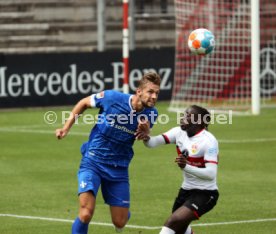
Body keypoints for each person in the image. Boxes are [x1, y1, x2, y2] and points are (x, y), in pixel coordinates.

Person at [55, 72, 161, 234]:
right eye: (150, 92)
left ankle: (122, 213)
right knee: (85, 214)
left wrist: (146, 133)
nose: (154, 97)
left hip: (119, 168)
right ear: (139, 91)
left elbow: (144, 138)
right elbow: (83, 103)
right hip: (93, 161)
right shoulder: (112, 98)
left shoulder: (151, 114)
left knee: (120, 222)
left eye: (157, 93)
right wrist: (66, 127)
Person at [142, 105, 219, 234]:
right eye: (183, 115)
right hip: (185, 191)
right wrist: (146, 136)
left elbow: (211, 174)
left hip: (206, 193)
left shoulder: (209, 141)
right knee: (181, 230)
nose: (182, 118)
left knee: (172, 222)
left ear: (199, 121)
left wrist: (186, 166)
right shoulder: (178, 132)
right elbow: (152, 143)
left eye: (188, 116)